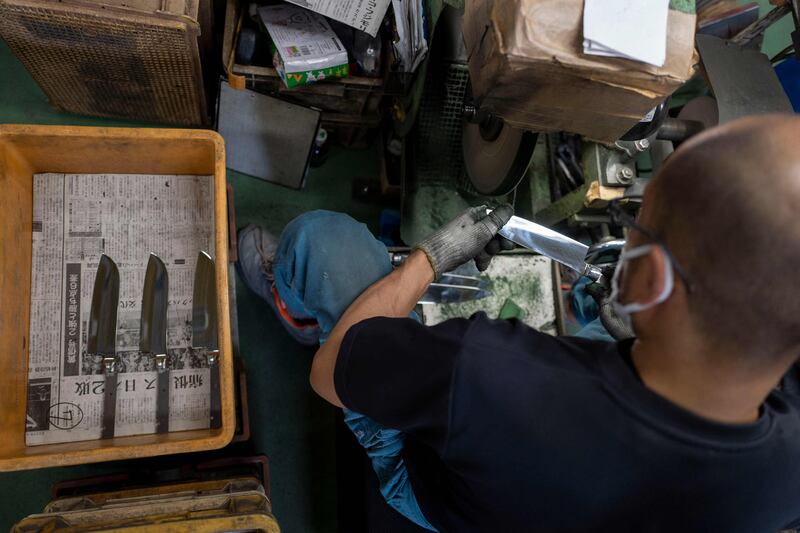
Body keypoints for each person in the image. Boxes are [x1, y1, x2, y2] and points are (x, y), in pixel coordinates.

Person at [237, 115, 800, 532]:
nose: (625, 242)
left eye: (638, 232)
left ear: (653, 279)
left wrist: (430, 256)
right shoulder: (788, 467)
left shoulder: (488, 368)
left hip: (436, 497)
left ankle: (305, 317)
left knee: (323, 246)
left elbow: (327, 378)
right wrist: (643, 329)